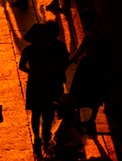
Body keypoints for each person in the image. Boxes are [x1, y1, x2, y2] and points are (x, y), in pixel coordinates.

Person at [19, 20, 68, 150]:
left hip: (46, 82)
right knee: (36, 112)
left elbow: (57, 62)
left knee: (48, 109)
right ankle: (37, 136)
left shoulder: (50, 48)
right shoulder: (29, 50)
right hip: (37, 82)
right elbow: (21, 66)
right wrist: (32, 71)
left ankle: (45, 127)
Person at [67, 8, 107, 135]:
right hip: (98, 66)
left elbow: (80, 51)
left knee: (77, 91)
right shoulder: (100, 31)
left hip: (88, 66)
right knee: (95, 94)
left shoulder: (90, 34)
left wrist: (68, 63)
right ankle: (92, 119)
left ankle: (77, 119)